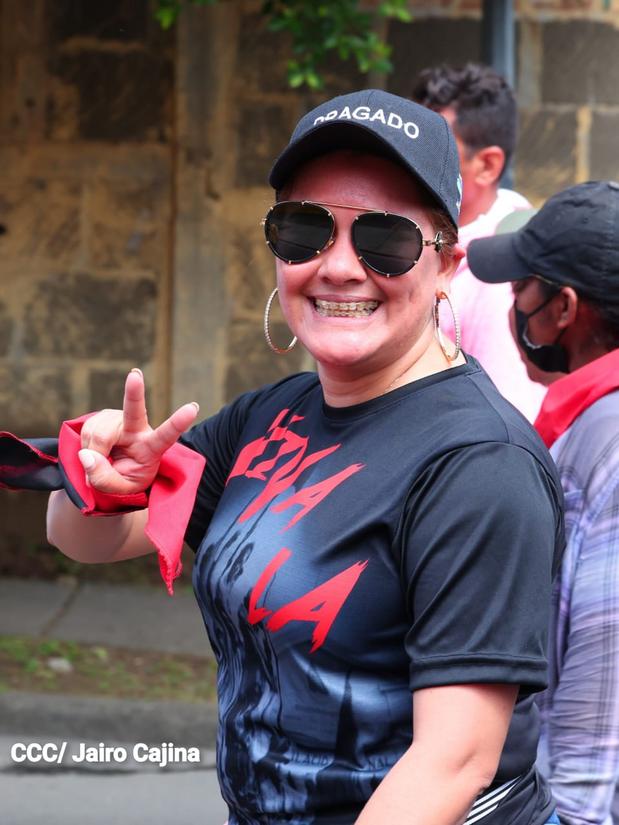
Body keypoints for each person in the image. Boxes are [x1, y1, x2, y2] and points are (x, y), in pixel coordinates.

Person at [32, 90, 567, 824]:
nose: (338, 266)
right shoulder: (269, 416)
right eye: (304, 230)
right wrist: (100, 480)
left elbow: (453, 762)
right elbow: (88, 541)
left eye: (385, 239)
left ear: (446, 263)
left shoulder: (480, 465)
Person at [468, 180, 619, 825]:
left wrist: (573, 816)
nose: (513, 307)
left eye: (520, 289)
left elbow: (604, 676)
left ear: (562, 308)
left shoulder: (608, 441)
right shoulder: (587, 426)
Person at [412, 62, 545, 420]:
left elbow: (509, 417)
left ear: (487, 165)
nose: (411, 163)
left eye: (433, 150)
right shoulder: (423, 236)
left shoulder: (499, 278)